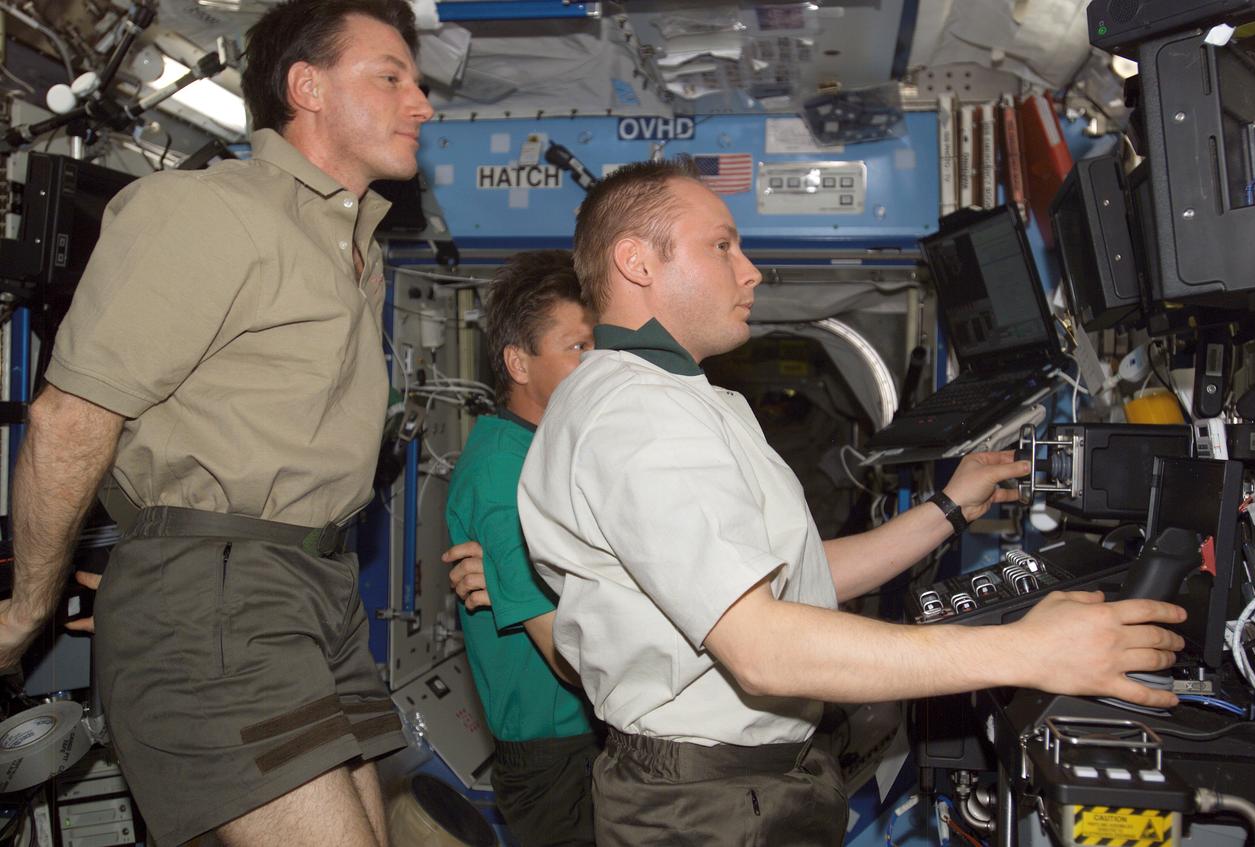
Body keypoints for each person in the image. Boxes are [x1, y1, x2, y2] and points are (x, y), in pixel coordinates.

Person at [515, 157, 1188, 845]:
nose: (750, 270)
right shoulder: (637, 415)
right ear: (637, 261)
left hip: (742, 785)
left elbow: (795, 577)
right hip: (708, 807)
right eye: (721, 245)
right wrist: (1024, 649)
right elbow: (760, 647)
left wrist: (947, 509)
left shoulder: (677, 398)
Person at [0, 1, 434, 844]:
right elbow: (69, 417)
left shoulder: (357, 250)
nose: (421, 103)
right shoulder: (208, 211)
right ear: (306, 87)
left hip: (318, 586)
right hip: (225, 595)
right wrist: (27, 610)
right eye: (391, 77)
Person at [444, 250, 600, 846]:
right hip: (558, 757)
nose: (596, 364)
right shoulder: (502, 474)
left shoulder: (551, 453)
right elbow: (567, 656)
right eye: (577, 348)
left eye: (600, 347)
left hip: (588, 735)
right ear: (518, 362)